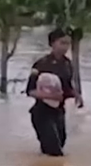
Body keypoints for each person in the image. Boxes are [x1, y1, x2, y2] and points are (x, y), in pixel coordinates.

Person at [25, 28, 84, 157]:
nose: (65, 47)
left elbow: (67, 86)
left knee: (58, 145)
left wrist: (77, 95)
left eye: (67, 43)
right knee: (55, 152)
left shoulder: (67, 64)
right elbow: (30, 91)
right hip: (42, 113)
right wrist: (51, 96)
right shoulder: (40, 64)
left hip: (59, 112)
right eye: (62, 43)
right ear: (52, 43)